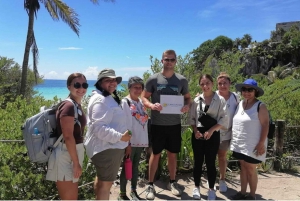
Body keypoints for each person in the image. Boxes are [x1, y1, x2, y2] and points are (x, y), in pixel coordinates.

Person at [141, 49, 191, 200]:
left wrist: (187, 106)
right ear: (162, 60)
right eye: (166, 59)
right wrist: (151, 106)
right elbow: (143, 97)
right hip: (157, 124)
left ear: (175, 61)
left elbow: (187, 98)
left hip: (174, 124)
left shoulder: (181, 80)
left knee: (172, 154)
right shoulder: (153, 79)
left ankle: (172, 181)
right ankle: (150, 184)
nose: (169, 62)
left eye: (172, 60)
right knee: (155, 154)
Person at [84, 69, 132, 200]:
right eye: (108, 80)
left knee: (101, 181)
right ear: (100, 83)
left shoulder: (106, 97)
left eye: (114, 80)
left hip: (107, 147)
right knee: (106, 186)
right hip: (107, 148)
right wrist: (121, 137)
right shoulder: (101, 100)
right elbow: (99, 128)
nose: (112, 83)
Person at [46, 73, 88, 200]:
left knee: (72, 197)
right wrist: (76, 163)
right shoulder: (68, 106)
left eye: (84, 85)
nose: (81, 88)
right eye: (77, 85)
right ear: (69, 87)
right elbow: (68, 136)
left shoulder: (76, 105)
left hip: (71, 153)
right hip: (66, 156)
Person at [188, 74, 228, 200]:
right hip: (198, 134)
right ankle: (196, 187)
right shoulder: (196, 100)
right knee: (198, 162)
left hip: (213, 133)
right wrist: (195, 131)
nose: (205, 86)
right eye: (202, 84)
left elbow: (223, 119)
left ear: (212, 83)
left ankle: (211, 189)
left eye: (207, 83)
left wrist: (211, 130)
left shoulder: (220, 100)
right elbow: (192, 119)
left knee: (211, 162)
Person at [230, 79, 269, 200]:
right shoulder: (240, 104)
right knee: (243, 167)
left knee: (251, 169)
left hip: (254, 143)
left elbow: (265, 125)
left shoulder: (260, 106)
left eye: (250, 90)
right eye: (244, 89)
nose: (247, 92)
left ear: (255, 91)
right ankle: (242, 192)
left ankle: (252, 195)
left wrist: (261, 143)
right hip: (240, 143)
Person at [118, 76, 149, 201]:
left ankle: (134, 191)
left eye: (140, 88)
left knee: (135, 167)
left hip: (140, 141)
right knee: (127, 167)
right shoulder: (125, 102)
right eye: (135, 87)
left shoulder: (141, 102)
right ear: (129, 87)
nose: (138, 90)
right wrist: (128, 144)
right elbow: (125, 124)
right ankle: (122, 194)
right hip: (130, 142)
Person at [216, 72, 240, 193]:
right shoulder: (212, 96)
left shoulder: (235, 97)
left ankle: (222, 179)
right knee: (209, 157)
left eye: (225, 83)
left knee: (222, 156)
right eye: (220, 83)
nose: (222, 85)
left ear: (230, 83)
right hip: (212, 132)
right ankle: (210, 180)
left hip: (227, 133)